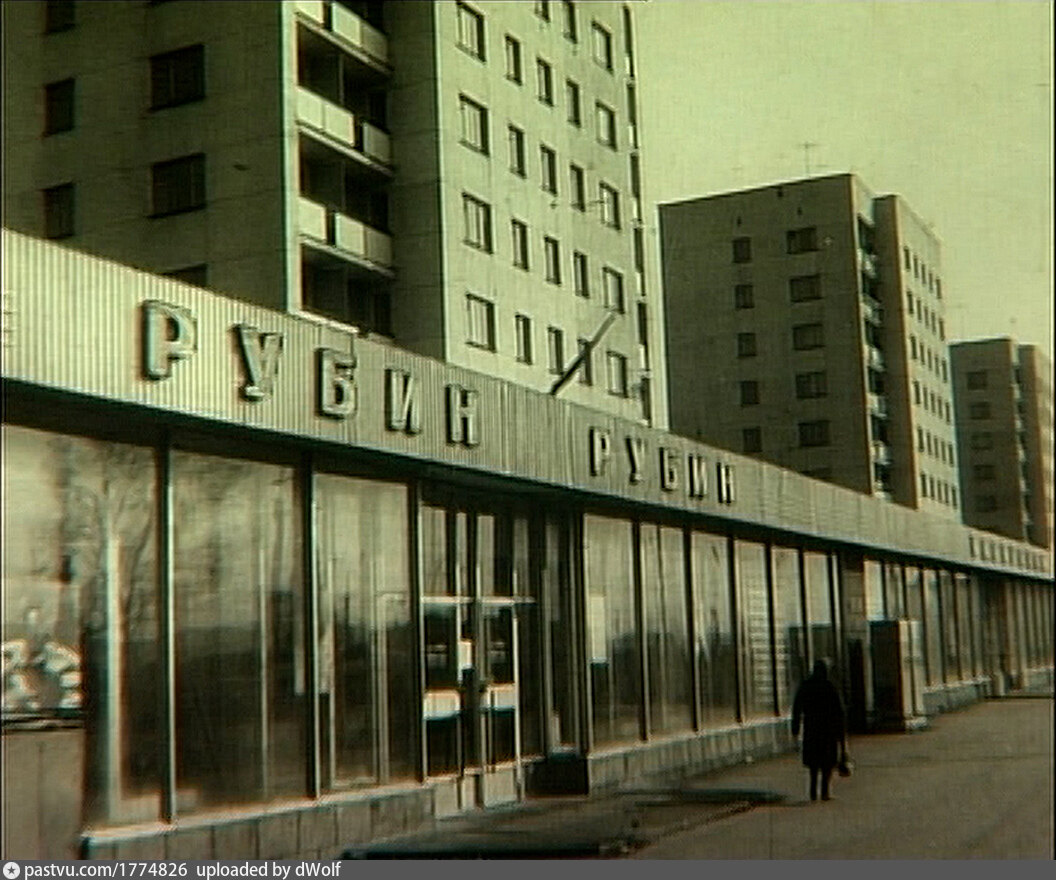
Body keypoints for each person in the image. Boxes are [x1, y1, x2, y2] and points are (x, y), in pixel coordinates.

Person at [791, 659, 846, 802]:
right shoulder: (830, 687)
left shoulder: (806, 686)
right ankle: (825, 792)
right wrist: (841, 735)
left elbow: (797, 708)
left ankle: (813, 791)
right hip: (828, 730)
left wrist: (795, 729)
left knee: (813, 764)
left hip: (811, 728)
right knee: (827, 763)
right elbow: (839, 712)